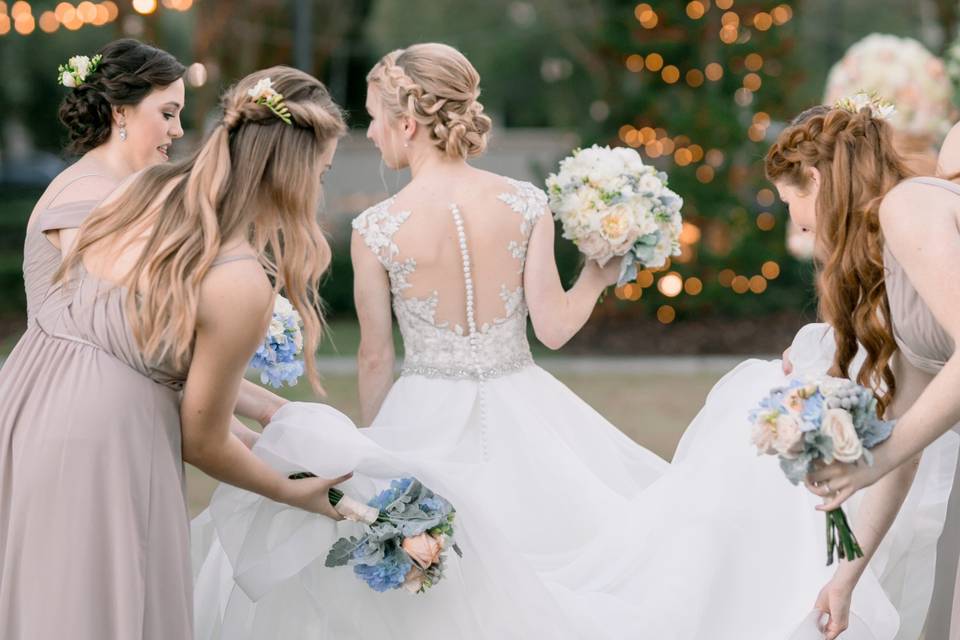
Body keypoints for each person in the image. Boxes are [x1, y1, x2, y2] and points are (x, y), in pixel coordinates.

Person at [192, 48, 953, 640]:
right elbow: (553, 328)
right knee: (574, 560)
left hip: (422, 407)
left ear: (410, 121)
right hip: (526, 404)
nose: (797, 230)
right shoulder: (522, 201)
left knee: (445, 574)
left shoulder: (373, 227)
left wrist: (384, 441)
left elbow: (374, 357)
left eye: (376, 117)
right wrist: (598, 272)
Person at [0, 66, 348, 639]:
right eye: (323, 172)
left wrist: (266, 417)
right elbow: (201, 435)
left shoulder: (147, 194)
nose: (319, 190)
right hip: (109, 439)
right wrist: (290, 490)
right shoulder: (238, 277)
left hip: (41, 403)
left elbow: (142, 338)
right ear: (293, 172)